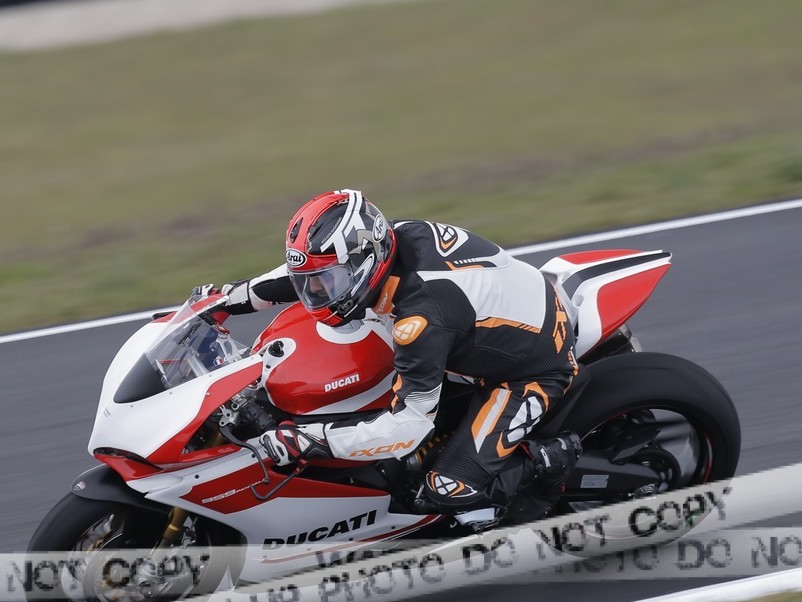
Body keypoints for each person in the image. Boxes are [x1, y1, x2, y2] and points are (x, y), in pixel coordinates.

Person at [198, 188, 583, 525]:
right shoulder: (383, 240)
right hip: (485, 319)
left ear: (366, 262)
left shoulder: (420, 319)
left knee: (448, 489)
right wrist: (227, 299)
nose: (315, 292)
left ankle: (549, 460)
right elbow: (303, 271)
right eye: (313, 281)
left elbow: (407, 429)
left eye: (327, 282)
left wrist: (307, 441)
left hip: (530, 368)